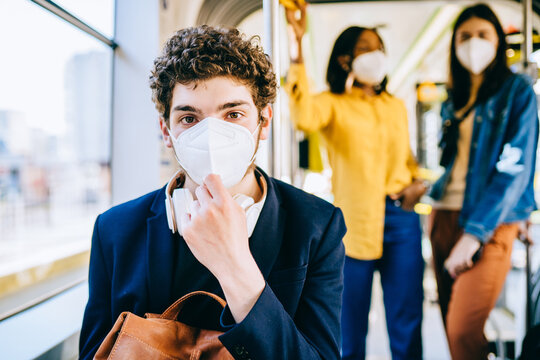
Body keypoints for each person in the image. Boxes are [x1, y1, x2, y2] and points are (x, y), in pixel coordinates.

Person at [79, 25, 347, 360]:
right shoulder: (115, 230)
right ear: (166, 130)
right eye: (190, 118)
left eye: (233, 114)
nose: (211, 135)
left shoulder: (316, 226)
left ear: (263, 122)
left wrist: (234, 264)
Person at [285, 5, 426, 360]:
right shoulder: (333, 105)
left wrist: (416, 184)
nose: (376, 54)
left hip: (401, 217)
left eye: (379, 47)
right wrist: (297, 45)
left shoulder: (395, 106)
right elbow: (302, 116)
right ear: (346, 59)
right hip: (354, 222)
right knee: (348, 328)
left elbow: (407, 161)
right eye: (366, 47)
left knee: (407, 320)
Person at [429, 4, 539, 360]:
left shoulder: (517, 93)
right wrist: (425, 188)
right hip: (443, 216)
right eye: (464, 36)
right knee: (451, 331)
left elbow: (514, 167)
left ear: (498, 42)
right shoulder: (454, 99)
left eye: (482, 35)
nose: (473, 44)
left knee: (463, 331)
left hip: (490, 223)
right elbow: (454, 167)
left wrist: (474, 234)